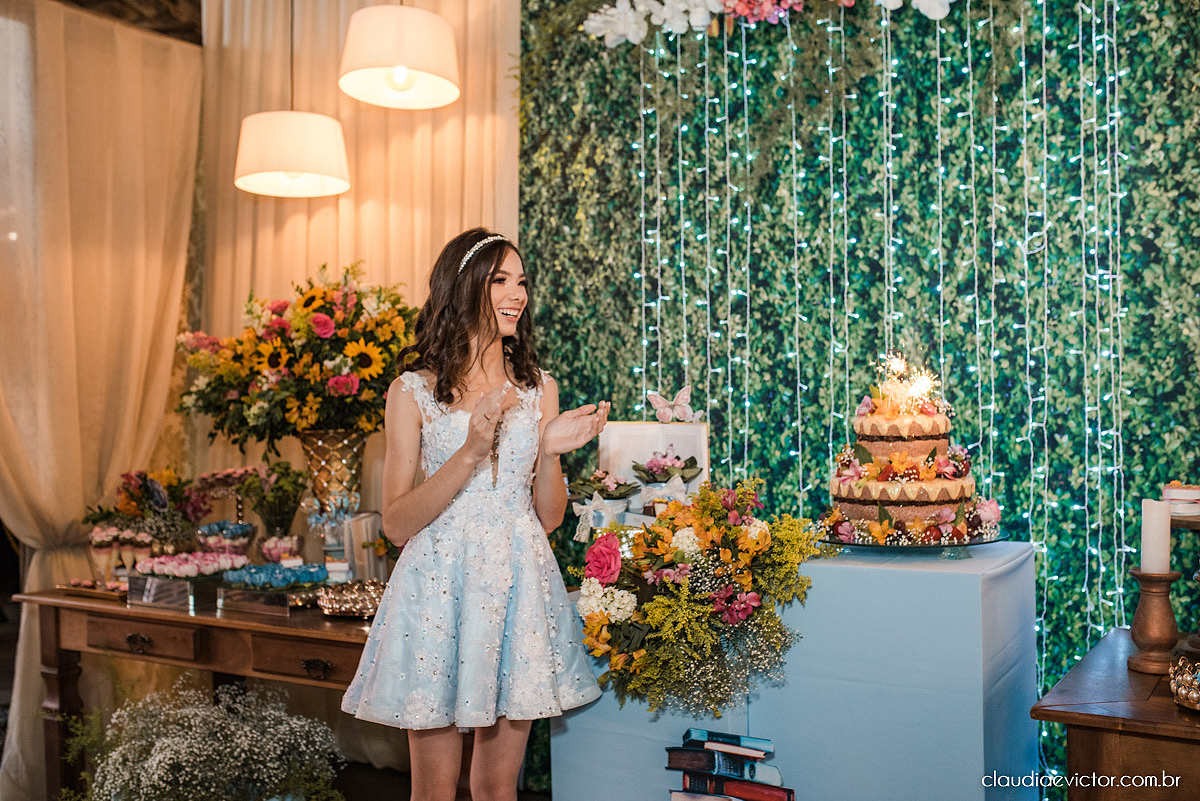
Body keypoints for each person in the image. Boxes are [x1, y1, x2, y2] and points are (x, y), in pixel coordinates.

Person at [341, 229, 608, 801]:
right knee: (433, 792)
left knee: (495, 789)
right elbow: (396, 523)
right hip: (439, 588)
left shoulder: (539, 389)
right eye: (501, 280)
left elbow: (549, 518)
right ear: (464, 287)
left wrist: (550, 452)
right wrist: (469, 452)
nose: (518, 295)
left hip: (517, 584)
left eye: (522, 282)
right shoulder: (412, 391)